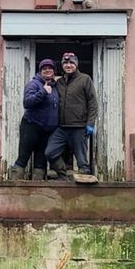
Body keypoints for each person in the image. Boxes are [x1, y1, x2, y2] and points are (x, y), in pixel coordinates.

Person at [45, 52, 98, 181]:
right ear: (62, 65)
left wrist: (90, 123)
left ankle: (86, 186)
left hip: (79, 127)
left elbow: (93, 103)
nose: (68, 65)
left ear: (76, 64)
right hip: (61, 127)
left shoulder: (85, 79)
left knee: (82, 161)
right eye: (65, 63)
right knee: (50, 152)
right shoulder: (59, 82)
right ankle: (63, 175)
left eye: (71, 63)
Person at [10, 59, 59, 179]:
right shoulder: (34, 84)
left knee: (41, 161)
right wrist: (43, 92)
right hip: (31, 126)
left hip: (46, 130)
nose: (47, 70)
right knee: (23, 157)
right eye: (44, 69)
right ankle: (14, 184)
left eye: (50, 68)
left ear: (54, 71)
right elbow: (27, 102)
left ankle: (38, 186)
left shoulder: (55, 87)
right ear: (40, 71)